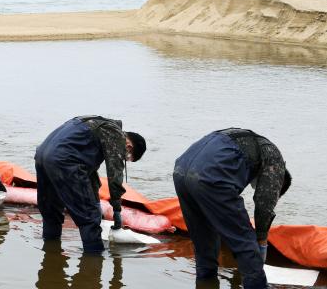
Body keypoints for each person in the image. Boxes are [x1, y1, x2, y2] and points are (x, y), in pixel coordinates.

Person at [173, 128, 292, 289]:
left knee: (204, 243)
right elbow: (264, 205)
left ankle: (206, 283)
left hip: (181, 170)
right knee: (246, 241)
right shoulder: (276, 162)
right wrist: (261, 242)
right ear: (280, 182)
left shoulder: (252, 143)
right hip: (210, 176)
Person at [34, 116, 147, 254]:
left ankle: (51, 249)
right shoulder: (116, 134)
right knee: (90, 218)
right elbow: (115, 173)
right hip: (65, 161)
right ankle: (94, 258)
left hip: (42, 157)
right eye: (126, 158)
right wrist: (117, 209)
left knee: (51, 211)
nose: (123, 159)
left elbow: (89, 173)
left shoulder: (96, 124)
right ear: (129, 147)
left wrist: (95, 200)